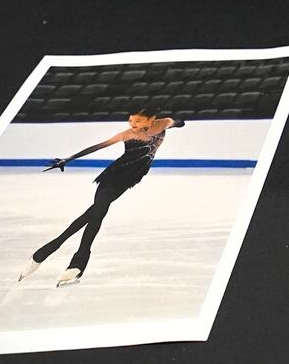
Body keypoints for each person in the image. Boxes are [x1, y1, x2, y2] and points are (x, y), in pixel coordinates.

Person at [18, 110, 184, 286]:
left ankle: (45, 252)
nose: (132, 125)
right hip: (114, 175)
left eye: (137, 121)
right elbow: (97, 146)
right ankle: (75, 263)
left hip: (131, 178)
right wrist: (68, 159)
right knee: (97, 214)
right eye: (130, 121)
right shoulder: (127, 135)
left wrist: (179, 123)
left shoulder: (163, 123)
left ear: (151, 120)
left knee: (93, 213)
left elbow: (177, 122)